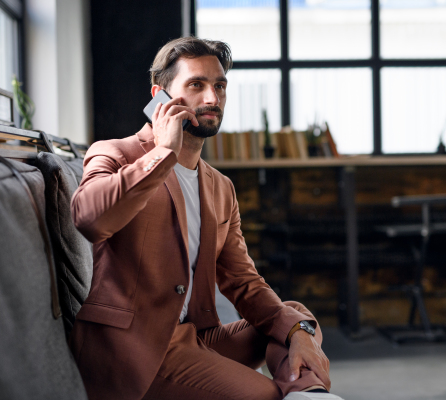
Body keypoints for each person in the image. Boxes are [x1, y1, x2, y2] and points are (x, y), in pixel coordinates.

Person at [69, 36, 344, 400]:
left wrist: (297, 334)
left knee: (294, 319)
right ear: (160, 96)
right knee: (263, 394)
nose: (212, 98)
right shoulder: (115, 153)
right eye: (196, 85)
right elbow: (89, 218)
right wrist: (163, 153)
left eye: (219, 86)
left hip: (193, 337)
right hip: (135, 348)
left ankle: (307, 394)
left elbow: (243, 281)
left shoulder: (219, 186)